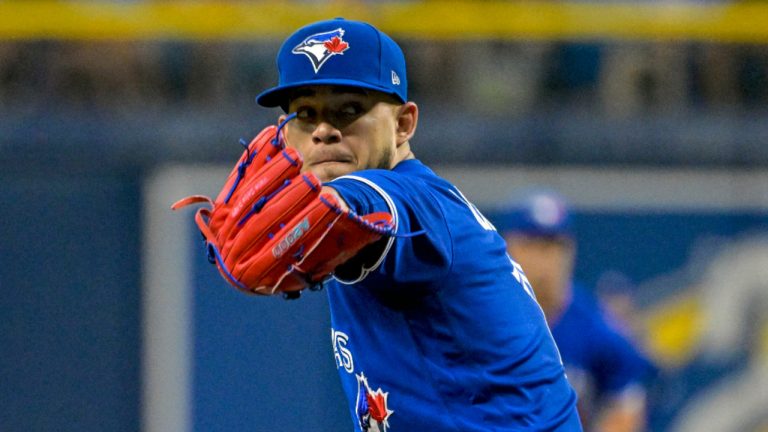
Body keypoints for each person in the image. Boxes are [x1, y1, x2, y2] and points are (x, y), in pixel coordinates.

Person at [248, 18, 581, 431]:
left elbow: (373, 203)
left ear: (404, 124)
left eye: (349, 110)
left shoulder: (414, 203)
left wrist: (330, 203)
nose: (323, 131)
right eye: (304, 113)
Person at [495, 189, 655, 432]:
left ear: (570, 250)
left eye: (553, 246)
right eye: (531, 245)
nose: (543, 260)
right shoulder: (483, 318)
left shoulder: (595, 327)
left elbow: (627, 403)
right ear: (508, 247)